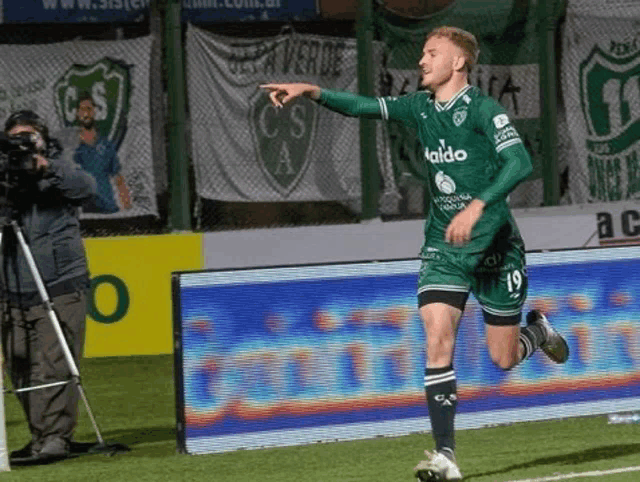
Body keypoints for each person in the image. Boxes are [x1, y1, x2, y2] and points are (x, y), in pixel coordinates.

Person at [261, 26, 569, 482]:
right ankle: (445, 457)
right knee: (437, 336)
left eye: (432, 53)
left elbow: (520, 162)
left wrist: (479, 205)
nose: (421, 61)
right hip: (444, 248)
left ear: (459, 63)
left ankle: (538, 332)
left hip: (496, 251)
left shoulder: (483, 110)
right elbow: (366, 107)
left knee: (502, 359)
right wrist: (312, 92)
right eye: (422, 53)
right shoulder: (420, 107)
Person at [0, 110, 97, 463]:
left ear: (42, 139)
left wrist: (45, 167)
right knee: (21, 365)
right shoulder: (5, 178)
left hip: (58, 284)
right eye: (16, 139)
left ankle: (56, 437)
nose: (24, 145)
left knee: (56, 365)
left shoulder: (60, 168)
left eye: (29, 138)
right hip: (12, 287)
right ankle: (39, 435)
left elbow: (87, 188)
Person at [72, 92, 131, 214]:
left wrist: (128, 208)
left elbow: (118, 177)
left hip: (107, 207)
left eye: (89, 108)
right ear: (77, 113)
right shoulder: (71, 145)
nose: (86, 113)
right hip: (83, 210)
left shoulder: (105, 144)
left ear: (94, 111)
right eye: (82, 109)